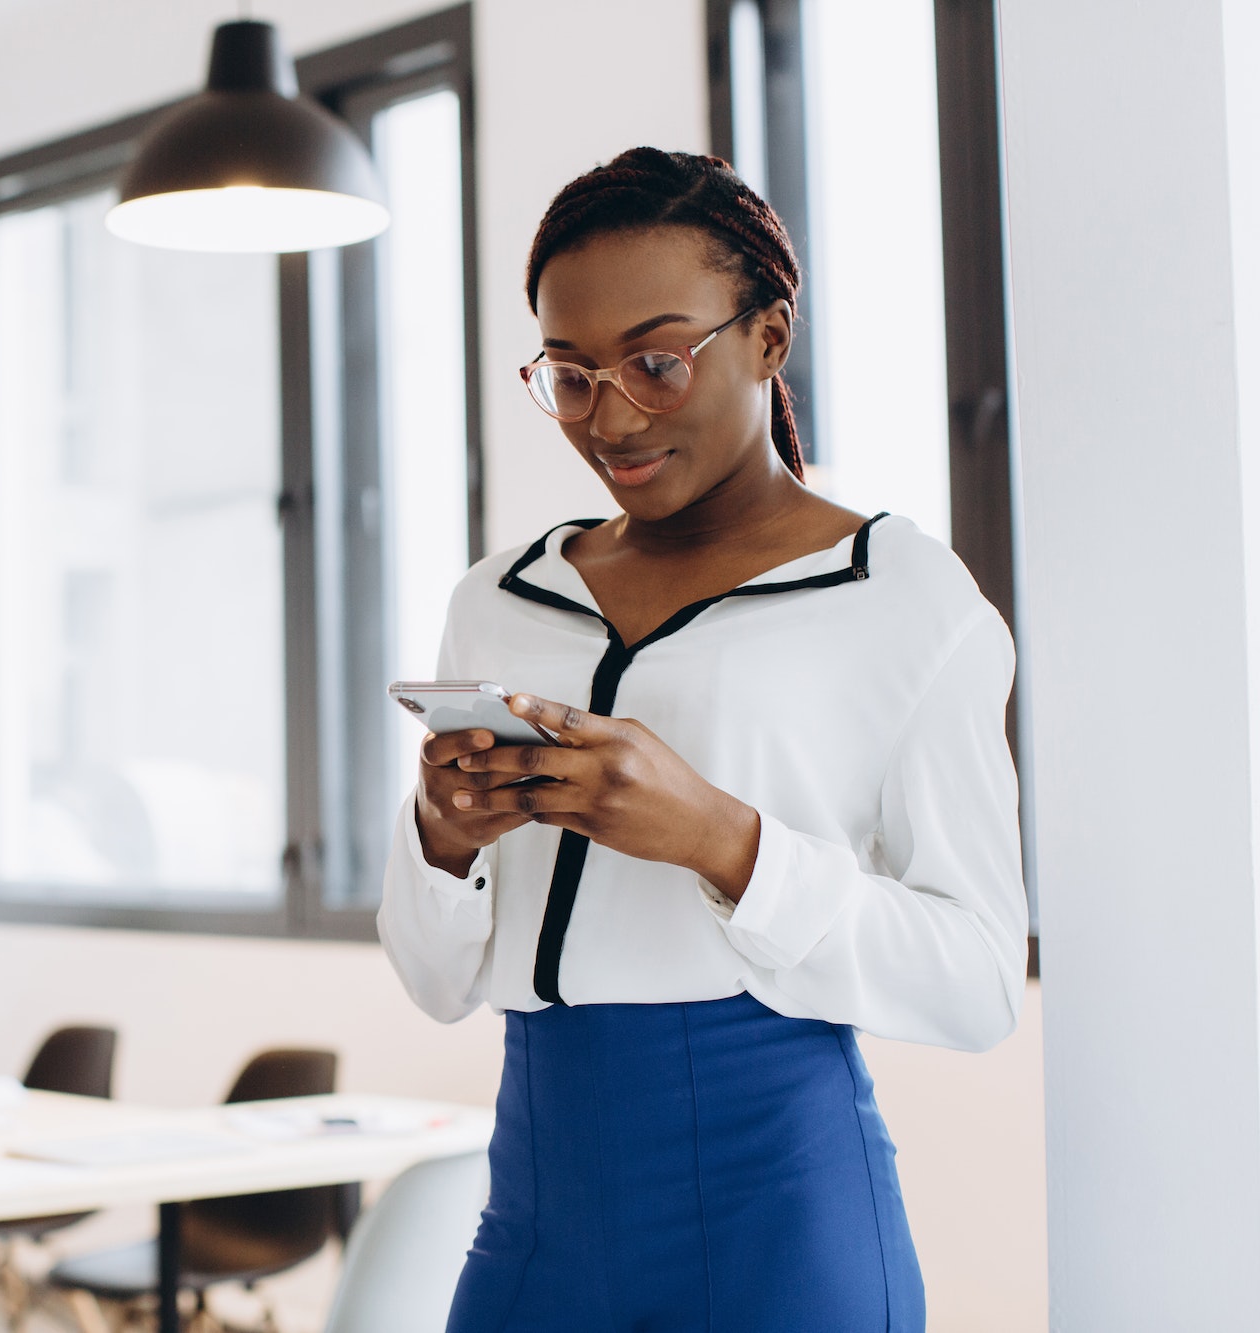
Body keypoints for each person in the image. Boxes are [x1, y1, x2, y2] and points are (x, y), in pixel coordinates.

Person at [377, 147, 1028, 1332]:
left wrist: (724, 841)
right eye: (569, 376)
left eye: (656, 362)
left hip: (772, 1203)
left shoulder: (903, 598)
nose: (610, 415)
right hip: (534, 1204)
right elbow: (434, 982)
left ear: (767, 337)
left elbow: (978, 980)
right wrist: (439, 836)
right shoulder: (499, 598)